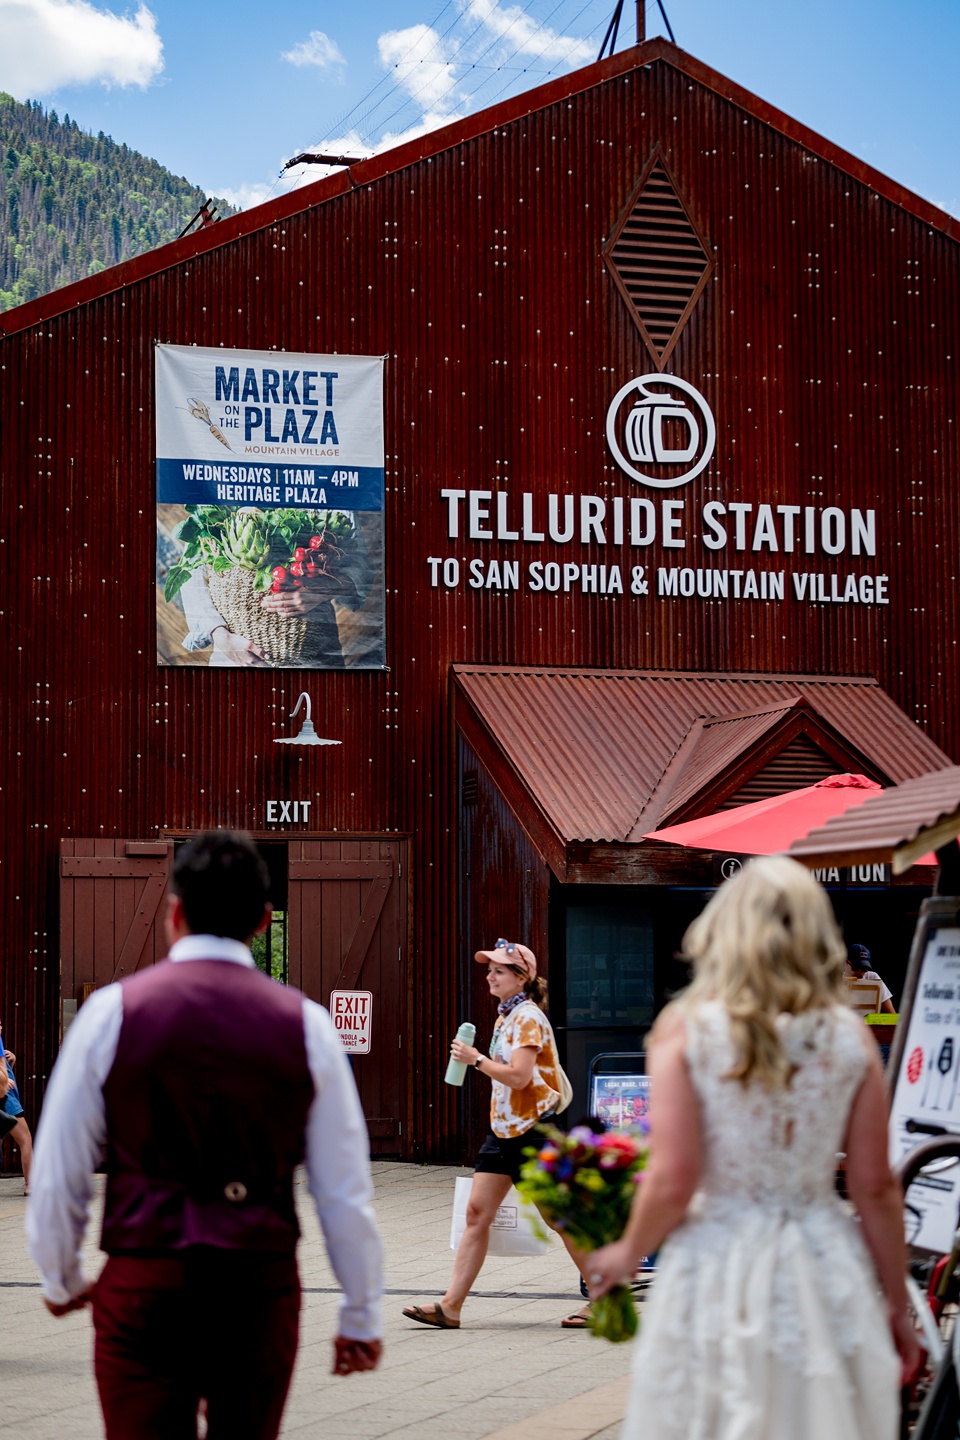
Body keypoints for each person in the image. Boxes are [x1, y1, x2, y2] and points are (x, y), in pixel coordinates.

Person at [26, 830, 384, 1440]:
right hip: (257, 1287)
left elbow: (61, 1171)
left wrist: (60, 1275)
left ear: (175, 912)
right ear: (265, 921)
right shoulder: (307, 1027)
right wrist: (360, 1311)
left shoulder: (110, 1014)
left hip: (146, 1282)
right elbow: (343, 1189)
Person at [587, 856, 920, 1440]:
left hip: (717, 1259)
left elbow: (674, 1177)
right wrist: (896, 1302)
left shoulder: (686, 1026)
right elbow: (874, 1185)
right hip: (820, 1259)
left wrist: (627, 1251)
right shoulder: (848, 1036)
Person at [402, 938, 591, 1330]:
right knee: (476, 1214)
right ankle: (450, 1307)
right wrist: (480, 1062)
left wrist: (477, 1060)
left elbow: (520, 1077)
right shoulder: (505, 1016)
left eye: (499, 970)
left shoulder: (527, 1017)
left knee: (561, 1219)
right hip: (504, 1133)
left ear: (522, 978)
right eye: (489, 969)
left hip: (534, 1131)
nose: (490, 976)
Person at [0, 1020, 33, 1193]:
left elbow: (4, 1068)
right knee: (25, 1138)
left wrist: (11, 1060)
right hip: (7, 1097)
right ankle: (31, 1184)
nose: (0, 1027)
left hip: (5, 1094)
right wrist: (4, 1079)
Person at [846, 941, 896, 1014]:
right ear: (846, 963)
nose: (861, 973)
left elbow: (892, 1015)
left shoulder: (872, 977)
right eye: (856, 967)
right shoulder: (835, 980)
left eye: (864, 968)